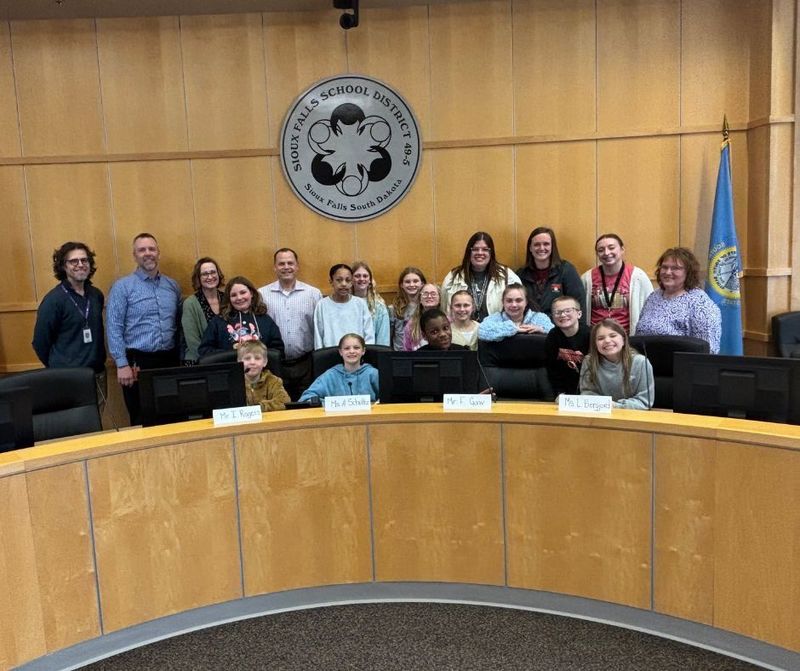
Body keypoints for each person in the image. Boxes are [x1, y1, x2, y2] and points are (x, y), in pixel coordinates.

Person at [107, 233, 181, 425]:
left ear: (158, 253)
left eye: (152, 249)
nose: (148, 253)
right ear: (134, 255)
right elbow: (114, 327)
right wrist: (121, 364)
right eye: (142, 250)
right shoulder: (122, 287)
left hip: (169, 360)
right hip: (137, 362)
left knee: (173, 416)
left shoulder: (172, 286)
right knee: (142, 419)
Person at [32, 241, 107, 407]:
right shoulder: (53, 301)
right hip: (67, 378)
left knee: (98, 425)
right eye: (74, 261)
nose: (80, 265)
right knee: (74, 427)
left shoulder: (96, 295)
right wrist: (60, 367)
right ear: (63, 266)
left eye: (84, 260)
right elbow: (40, 343)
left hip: (96, 374)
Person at [258, 248, 322, 400]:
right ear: (275, 267)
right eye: (281, 264)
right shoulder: (261, 295)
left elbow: (319, 328)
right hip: (274, 364)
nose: (286, 267)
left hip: (306, 362)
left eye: (290, 263)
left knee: (306, 405)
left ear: (297, 266)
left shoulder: (313, 294)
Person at [634, 247, 722, 353]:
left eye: (675, 268)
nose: (668, 272)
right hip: (646, 366)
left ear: (688, 272)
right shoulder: (653, 297)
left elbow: (708, 350)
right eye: (664, 267)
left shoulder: (701, 304)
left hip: (681, 367)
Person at [580, 233, 653, 333]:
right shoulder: (587, 278)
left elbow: (650, 309)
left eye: (611, 248)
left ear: (622, 250)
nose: (606, 253)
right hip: (595, 338)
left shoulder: (638, 277)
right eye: (601, 250)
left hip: (628, 339)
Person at [441, 231, 521, 322]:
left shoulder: (507, 275)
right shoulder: (453, 276)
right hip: (463, 332)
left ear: (491, 253)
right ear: (469, 252)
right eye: (475, 249)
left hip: (497, 332)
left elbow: (520, 303)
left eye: (485, 249)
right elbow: (444, 310)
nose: (480, 253)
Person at [198, 276, 284, 356]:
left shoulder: (266, 320)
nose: (239, 298)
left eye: (243, 292)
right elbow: (204, 350)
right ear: (229, 299)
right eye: (233, 295)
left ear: (251, 293)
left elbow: (278, 351)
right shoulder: (218, 321)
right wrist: (233, 353)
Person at [580, 318, 654, 409]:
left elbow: (644, 401)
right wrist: (606, 405)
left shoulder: (641, 362)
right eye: (600, 338)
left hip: (632, 416)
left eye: (613, 335)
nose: (607, 341)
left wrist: (615, 406)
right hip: (600, 415)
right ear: (595, 344)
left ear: (623, 339)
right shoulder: (589, 361)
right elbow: (587, 394)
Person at [517, 227, 585, 316]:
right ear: (530, 248)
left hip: (560, 327)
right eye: (537, 244)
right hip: (529, 326)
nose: (541, 248)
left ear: (552, 247)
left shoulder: (566, 270)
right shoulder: (521, 274)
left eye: (546, 244)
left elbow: (579, 303)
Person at [299, 333, 379, 402]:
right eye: (347, 348)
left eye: (356, 348)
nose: (351, 351)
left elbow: (388, 397)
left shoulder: (373, 374)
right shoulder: (330, 376)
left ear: (363, 351)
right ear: (340, 352)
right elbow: (306, 398)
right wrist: (329, 404)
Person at [313, 264, 375, 349]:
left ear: (352, 282)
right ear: (331, 281)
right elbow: (318, 337)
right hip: (330, 356)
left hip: (356, 357)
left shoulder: (360, 304)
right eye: (339, 280)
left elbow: (369, 335)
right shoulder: (322, 305)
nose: (344, 284)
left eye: (348, 280)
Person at [545, 295, 591, 397]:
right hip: (564, 389)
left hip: (589, 388)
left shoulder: (591, 335)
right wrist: (560, 393)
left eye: (568, 311)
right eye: (558, 312)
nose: (563, 315)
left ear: (579, 314)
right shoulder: (552, 336)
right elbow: (552, 369)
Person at [181, 257, 225, 365]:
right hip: (199, 360)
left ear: (218, 274)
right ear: (198, 278)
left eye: (213, 272)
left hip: (226, 359)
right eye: (205, 274)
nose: (210, 277)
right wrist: (211, 360)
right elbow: (192, 341)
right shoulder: (190, 303)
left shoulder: (227, 299)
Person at [478, 284, 554, 342]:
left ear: (526, 302)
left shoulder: (539, 317)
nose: (514, 305)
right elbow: (481, 331)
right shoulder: (496, 318)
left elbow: (554, 333)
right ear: (503, 302)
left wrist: (541, 329)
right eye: (509, 301)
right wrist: (514, 329)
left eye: (518, 300)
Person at [238, 340, 290, 412]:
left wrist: (258, 407)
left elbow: (284, 402)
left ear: (265, 362)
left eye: (257, 358)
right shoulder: (234, 384)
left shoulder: (274, 381)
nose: (252, 362)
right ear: (239, 362)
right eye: (247, 358)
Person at [352, 261, 390, 346]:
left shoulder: (379, 306)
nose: (361, 279)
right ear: (351, 279)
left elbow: (383, 337)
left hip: (372, 353)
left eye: (365, 276)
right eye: (357, 276)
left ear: (370, 280)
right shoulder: (346, 303)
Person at [388, 266, 426, 350]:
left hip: (422, 353)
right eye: (407, 282)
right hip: (400, 355)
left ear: (422, 283)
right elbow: (389, 337)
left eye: (415, 281)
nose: (412, 285)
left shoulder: (427, 307)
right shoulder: (393, 309)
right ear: (401, 285)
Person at [403, 283, 442, 351]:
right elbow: (406, 351)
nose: (429, 296)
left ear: (440, 299)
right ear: (420, 299)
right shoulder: (411, 325)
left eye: (433, 294)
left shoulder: (447, 321)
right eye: (425, 294)